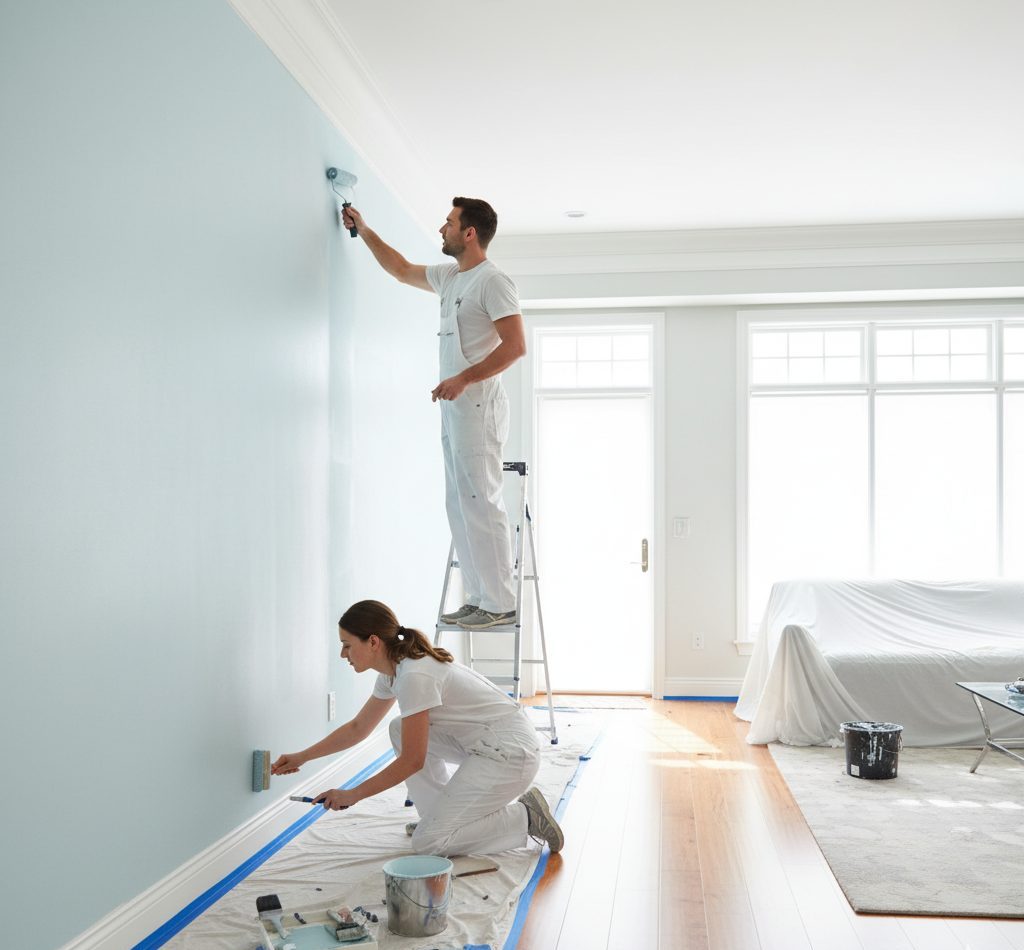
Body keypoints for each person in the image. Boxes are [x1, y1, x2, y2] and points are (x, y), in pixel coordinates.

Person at [341, 199, 524, 630]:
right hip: (454, 406)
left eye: (449, 222)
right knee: (459, 503)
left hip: (478, 405)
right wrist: (363, 229)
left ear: (470, 233)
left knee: (482, 501)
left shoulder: (493, 281)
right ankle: (480, 598)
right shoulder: (450, 277)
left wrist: (464, 379)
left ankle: (500, 601)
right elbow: (401, 269)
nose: (442, 229)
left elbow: (515, 346)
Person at [271, 599, 564, 857]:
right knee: (399, 728)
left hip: (511, 753)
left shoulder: (414, 675)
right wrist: (302, 757)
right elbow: (359, 727)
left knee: (429, 843)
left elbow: (413, 760)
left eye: (347, 645)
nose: (342, 654)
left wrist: (353, 794)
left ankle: (526, 817)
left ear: (373, 642)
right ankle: (435, 817)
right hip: (487, 742)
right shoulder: (394, 670)